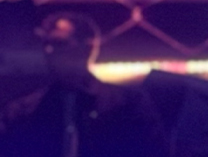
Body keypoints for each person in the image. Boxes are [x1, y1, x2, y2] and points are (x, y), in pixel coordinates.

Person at [0, 11, 169, 157]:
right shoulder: (22, 110)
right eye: (46, 44)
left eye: (60, 44)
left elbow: (152, 150)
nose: (50, 51)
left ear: (88, 47)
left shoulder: (127, 104)